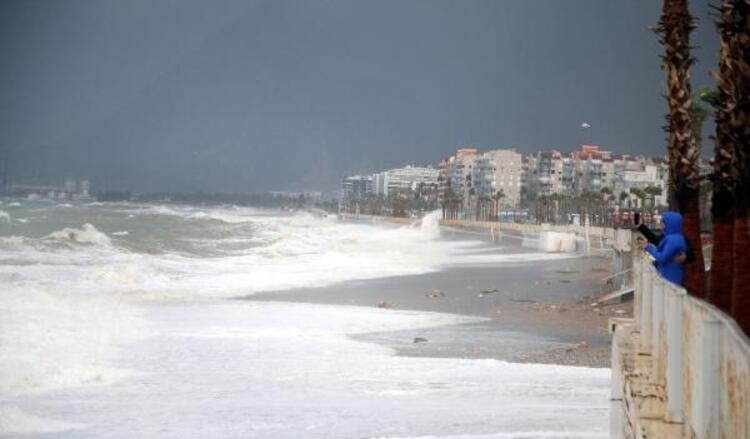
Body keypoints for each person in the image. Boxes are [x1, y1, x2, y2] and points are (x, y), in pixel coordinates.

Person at [637, 211, 687, 285]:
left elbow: (662, 258)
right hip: (667, 276)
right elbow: (656, 240)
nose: (660, 224)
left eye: (662, 222)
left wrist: (648, 247)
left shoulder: (673, 239)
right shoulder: (671, 237)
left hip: (670, 278)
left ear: (670, 223)